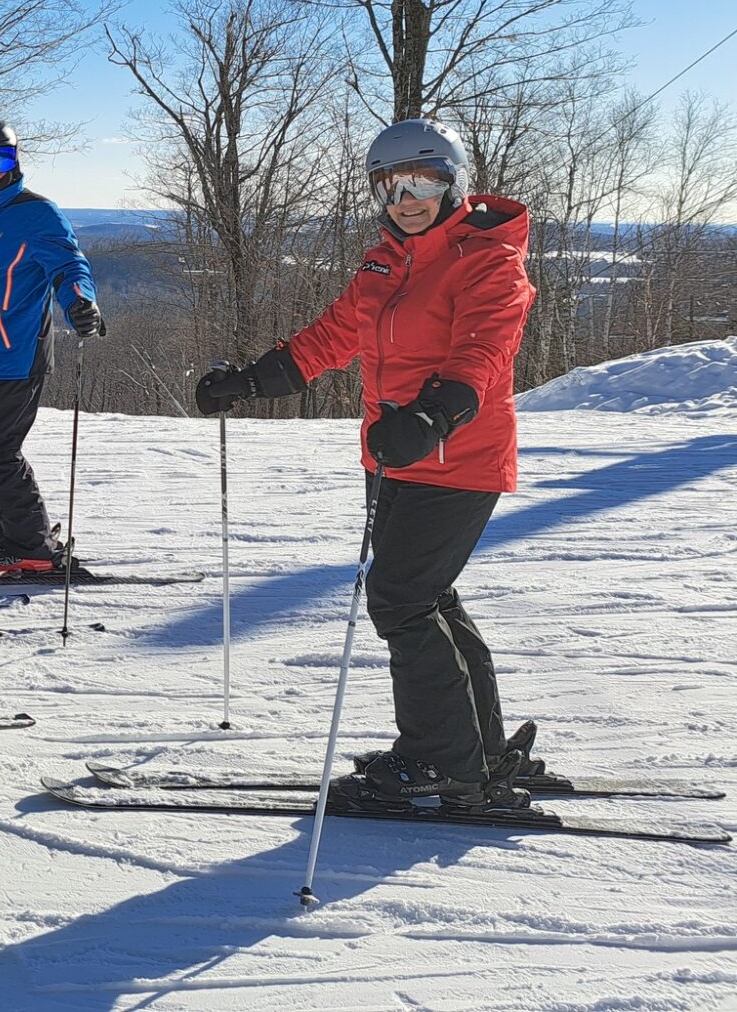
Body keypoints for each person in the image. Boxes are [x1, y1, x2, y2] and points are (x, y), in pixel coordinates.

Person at [195, 117, 534, 810]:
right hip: (395, 458)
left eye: (423, 181)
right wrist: (252, 381)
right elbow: (332, 335)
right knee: (427, 595)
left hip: (457, 456)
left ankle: (443, 763)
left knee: (402, 599)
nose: (406, 198)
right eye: (390, 186)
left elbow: (483, 352)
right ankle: (477, 747)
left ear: (453, 182)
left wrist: (433, 416)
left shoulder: (488, 260)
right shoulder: (384, 263)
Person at [0, 120, 102, 576]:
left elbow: (70, 268)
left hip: (18, 351)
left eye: (3, 160)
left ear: (17, 159)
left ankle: (30, 542)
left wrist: (80, 303)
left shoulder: (38, 213)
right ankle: (13, 524)